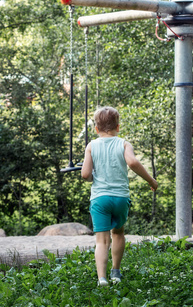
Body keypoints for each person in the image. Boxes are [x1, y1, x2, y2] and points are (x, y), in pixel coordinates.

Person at [81, 106, 158, 287]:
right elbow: (132, 162)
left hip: (100, 199)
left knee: (101, 240)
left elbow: (85, 175)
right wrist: (152, 181)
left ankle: (102, 279)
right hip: (120, 198)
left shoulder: (91, 146)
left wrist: (93, 175)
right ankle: (116, 272)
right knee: (118, 233)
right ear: (118, 126)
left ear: (96, 129)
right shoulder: (123, 143)